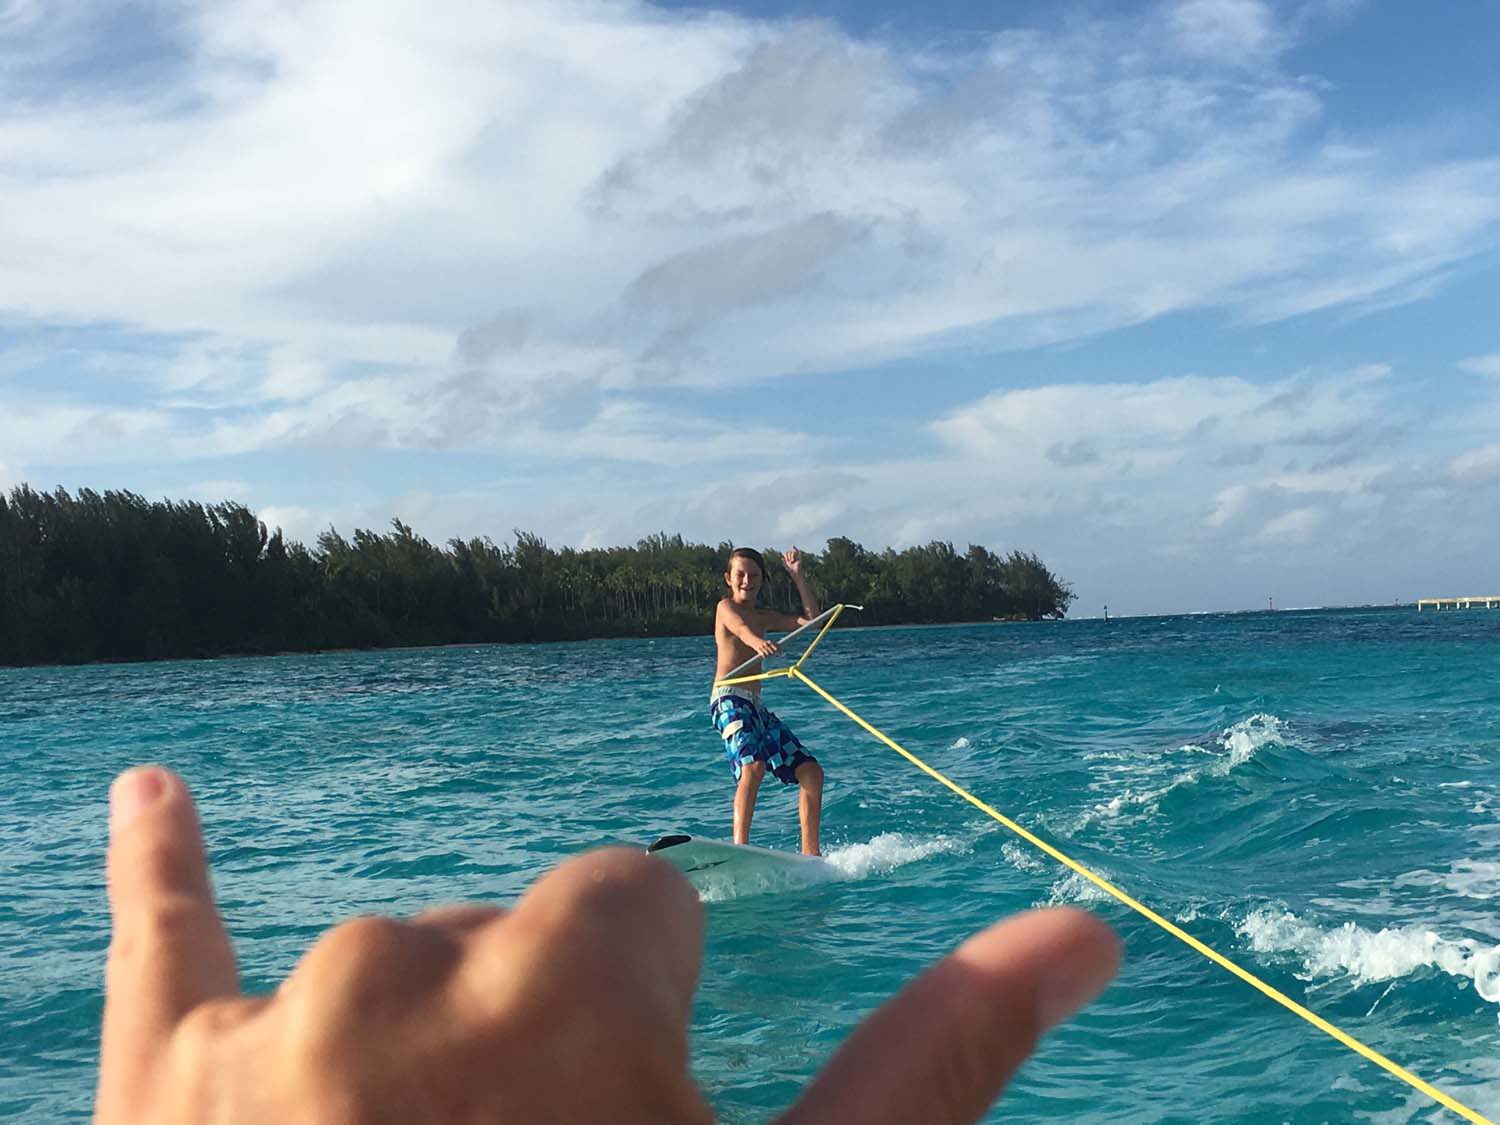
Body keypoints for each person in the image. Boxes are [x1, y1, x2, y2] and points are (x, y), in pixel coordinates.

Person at [97, 765, 1122, 1123]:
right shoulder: (728, 615)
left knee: (804, 769)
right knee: (784, 768)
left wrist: (803, 606)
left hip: (750, 703)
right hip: (736, 710)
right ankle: (773, 846)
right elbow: (745, 642)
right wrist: (775, 638)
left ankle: (790, 848)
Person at [711, 546, 824, 854]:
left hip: (755, 707)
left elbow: (812, 622)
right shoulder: (725, 607)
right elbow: (741, 630)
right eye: (740, 575)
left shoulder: (764, 616)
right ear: (728, 578)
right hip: (728, 699)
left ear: (762, 580)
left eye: (754, 575)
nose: (747, 581)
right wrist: (757, 642)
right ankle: (740, 849)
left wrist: (797, 576)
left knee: (811, 772)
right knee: (753, 766)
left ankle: (811, 854)